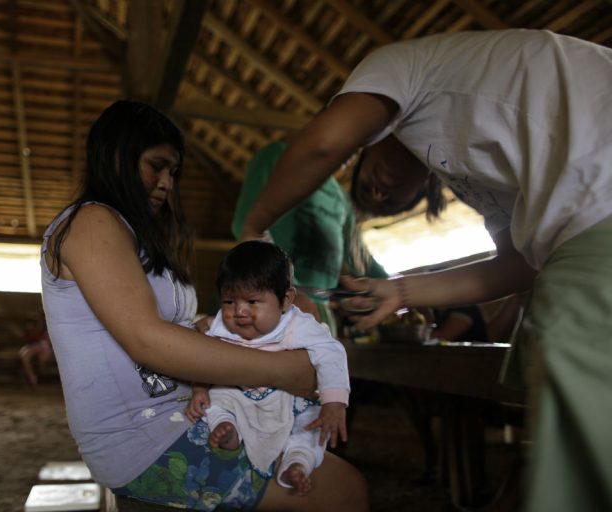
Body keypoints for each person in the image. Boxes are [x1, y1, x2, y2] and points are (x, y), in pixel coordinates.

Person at [238, 29, 612, 512]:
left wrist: (254, 228)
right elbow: (521, 266)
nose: (380, 193)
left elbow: (325, 142)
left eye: (392, 197)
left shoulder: (406, 65)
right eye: (377, 198)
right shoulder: (497, 167)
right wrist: (402, 293)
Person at [40, 100, 367, 511]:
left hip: (184, 408)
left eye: (173, 172)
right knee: (344, 490)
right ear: (116, 157)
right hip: (142, 436)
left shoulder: (133, 237)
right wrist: (283, 370)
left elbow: (163, 325)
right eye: (156, 166)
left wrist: (205, 325)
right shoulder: (91, 222)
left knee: (301, 329)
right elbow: (146, 339)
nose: (166, 183)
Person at [185, 241, 349, 496]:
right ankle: (228, 429)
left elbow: (331, 352)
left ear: (286, 300)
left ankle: (297, 462)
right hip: (239, 394)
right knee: (212, 401)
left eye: (253, 301)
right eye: (229, 301)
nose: (239, 311)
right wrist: (199, 388)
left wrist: (334, 402)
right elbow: (205, 357)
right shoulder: (218, 325)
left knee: (312, 423)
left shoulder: (297, 325)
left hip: (287, 398)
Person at [232, 140, 388, 334]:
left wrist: (395, 287)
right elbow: (245, 225)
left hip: (319, 312)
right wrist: (287, 290)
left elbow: (358, 257)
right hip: (275, 303)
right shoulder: (278, 156)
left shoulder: (340, 197)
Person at [18, 316, 54, 387]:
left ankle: (37, 375)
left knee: (42, 358)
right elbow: (24, 340)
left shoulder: (43, 330)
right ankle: (32, 377)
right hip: (31, 347)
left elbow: (47, 342)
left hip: (43, 348)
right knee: (25, 357)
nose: (29, 326)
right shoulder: (27, 332)